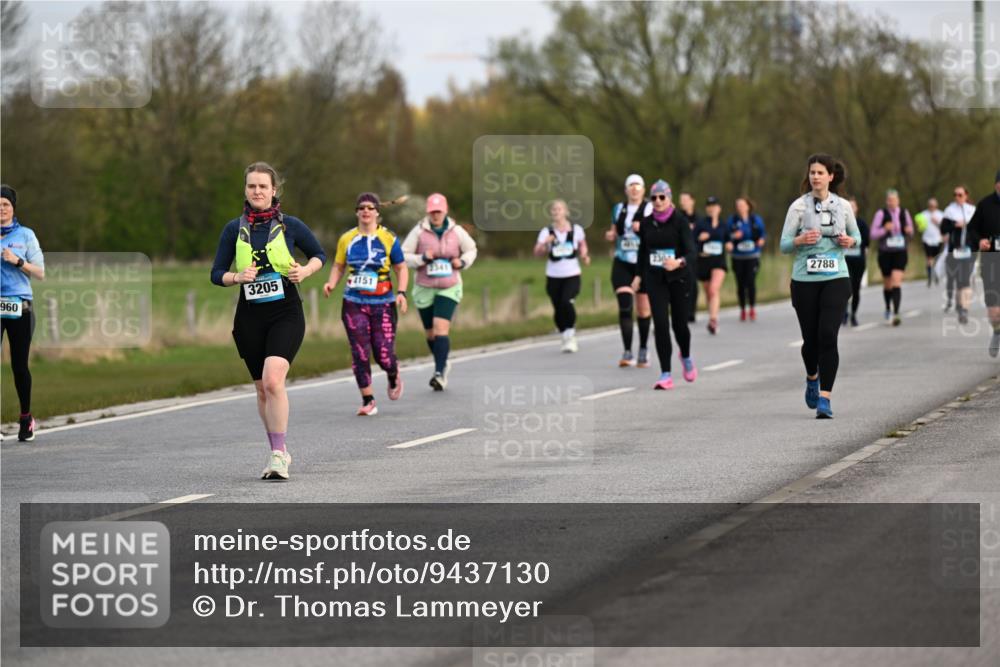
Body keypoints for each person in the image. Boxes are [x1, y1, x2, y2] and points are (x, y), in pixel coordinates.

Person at [211, 163, 326, 480]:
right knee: (262, 390)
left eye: (263, 186)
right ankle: (279, 448)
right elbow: (216, 273)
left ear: (274, 190)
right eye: (252, 186)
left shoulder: (291, 226)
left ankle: (277, 456)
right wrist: (237, 277)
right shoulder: (233, 229)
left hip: (285, 312)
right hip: (249, 317)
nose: (257, 191)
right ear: (245, 190)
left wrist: (305, 271)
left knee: (274, 380)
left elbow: (319, 255)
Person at [780, 154, 861, 419]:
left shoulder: (843, 206)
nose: (815, 176)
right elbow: (784, 245)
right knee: (811, 341)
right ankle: (812, 377)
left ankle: (825, 399)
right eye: (812, 172)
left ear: (830, 176)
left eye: (820, 172)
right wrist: (800, 240)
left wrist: (849, 241)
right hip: (805, 280)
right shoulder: (798, 207)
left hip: (836, 277)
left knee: (828, 335)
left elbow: (857, 237)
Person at [323, 193, 408, 415]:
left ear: (377, 212)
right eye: (362, 207)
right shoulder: (346, 238)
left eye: (370, 207)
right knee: (360, 352)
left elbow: (400, 267)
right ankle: (368, 399)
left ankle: (392, 373)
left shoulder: (388, 238)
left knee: (383, 355)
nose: (366, 211)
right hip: (354, 302)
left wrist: (401, 292)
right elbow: (338, 265)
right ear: (357, 212)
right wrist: (331, 283)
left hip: (383, 303)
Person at [401, 193, 477, 390]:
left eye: (439, 211)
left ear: (445, 211)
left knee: (440, 328)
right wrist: (422, 258)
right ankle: (442, 362)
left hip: (449, 286)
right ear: (428, 212)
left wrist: (462, 262)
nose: (436, 215)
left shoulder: (457, 231)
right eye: (432, 211)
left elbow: (471, 249)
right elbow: (403, 255)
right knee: (430, 333)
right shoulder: (419, 231)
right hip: (424, 287)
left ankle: (439, 373)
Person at [632, 180, 697, 389]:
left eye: (662, 197)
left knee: (680, 325)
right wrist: (638, 276)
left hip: (679, 278)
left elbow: (692, 252)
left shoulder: (680, 222)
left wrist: (678, 262)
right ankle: (665, 374)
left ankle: (685, 355)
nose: (658, 201)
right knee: (660, 324)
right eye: (654, 198)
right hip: (655, 279)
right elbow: (643, 252)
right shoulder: (646, 223)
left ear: (669, 198)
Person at [1, 185, 45, 442]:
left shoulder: (26, 235)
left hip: (20, 307)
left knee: (19, 366)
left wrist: (17, 261)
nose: (1, 209)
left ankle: (26, 418)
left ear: (13, 207)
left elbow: (40, 273)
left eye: (5, 204)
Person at [604, 175, 652, 367]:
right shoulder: (618, 208)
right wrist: (611, 234)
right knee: (625, 306)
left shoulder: (650, 208)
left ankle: (643, 349)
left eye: (637, 186)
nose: (634, 189)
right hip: (622, 261)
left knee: (643, 309)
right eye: (631, 186)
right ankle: (627, 352)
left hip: (643, 263)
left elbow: (660, 231)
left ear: (643, 190)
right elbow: (615, 230)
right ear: (626, 190)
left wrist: (644, 229)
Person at [535, 199, 590, 353]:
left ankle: (570, 334)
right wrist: (544, 244)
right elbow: (537, 252)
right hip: (553, 275)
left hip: (572, 274)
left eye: (559, 209)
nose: (556, 212)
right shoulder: (546, 232)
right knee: (558, 307)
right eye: (554, 209)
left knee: (566, 301)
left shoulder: (576, 229)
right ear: (551, 213)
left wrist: (584, 255)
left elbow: (582, 245)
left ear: (566, 212)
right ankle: (564, 332)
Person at [869, 189, 914, 326]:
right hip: (885, 253)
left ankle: (896, 313)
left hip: (900, 251)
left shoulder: (904, 213)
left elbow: (911, 232)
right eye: (889, 200)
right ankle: (888, 307)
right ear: (886, 201)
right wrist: (884, 229)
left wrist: (909, 231)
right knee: (888, 283)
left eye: (894, 200)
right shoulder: (881, 214)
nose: (891, 202)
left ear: (898, 200)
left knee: (896, 280)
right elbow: (873, 234)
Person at [968, 170, 1000, 357]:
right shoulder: (984, 205)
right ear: (996, 184)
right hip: (991, 261)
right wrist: (979, 241)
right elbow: (972, 229)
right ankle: (997, 331)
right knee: (994, 307)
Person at [940, 185, 977, 324]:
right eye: (955, 195)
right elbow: (943, 229)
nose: (957, 197)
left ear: (966, 195)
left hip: (969, 251)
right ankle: (959, 305)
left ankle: (964, 310)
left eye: (960, 195)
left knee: (965, 280)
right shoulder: (949, 211)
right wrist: (955, 225)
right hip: (954, 251)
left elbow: (979, 229)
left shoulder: (972, 210)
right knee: (958, 281)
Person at [727, 197, 767, 322]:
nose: (740, 207)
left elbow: (763, 234)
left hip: (752, 256)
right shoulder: (732, 220)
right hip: (737, 257)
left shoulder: (755, 220)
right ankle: (743, 309)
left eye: (742, 205)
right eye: (738, 205)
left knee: (750, 281)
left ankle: (752, 308)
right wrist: (733, 237)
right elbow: (726, 235)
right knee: (740, 284)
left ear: (748, 206)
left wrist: (761, 240)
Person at [694, 195, 729, 334]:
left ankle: (713, 320)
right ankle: (712, 315)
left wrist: (730, 244)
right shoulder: (701, 224)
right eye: (709, 206)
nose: (711, 209)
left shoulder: (724, 224)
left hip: (718, 261)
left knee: (714, 289)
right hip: (703, 261)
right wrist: (699, 239)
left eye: (714, 206)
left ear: (719, 208)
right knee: (708, 292)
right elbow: (692, 241)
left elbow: (728, 239)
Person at [843, 196, 870, 327]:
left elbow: (867, 242)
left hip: (858, 260)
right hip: (844, 260)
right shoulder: (840, 223)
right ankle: (844, 313)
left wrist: (853, 242)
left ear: (856, 208)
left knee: (855, 288)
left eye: (852, 206)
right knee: (845, 287)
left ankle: (853, 314)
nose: (850, 209)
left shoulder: (862, 223)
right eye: (848, 206)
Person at [679, 192, 700, 324]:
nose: (683, 202)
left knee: (693, 282)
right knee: (682, 283)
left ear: (692, 201)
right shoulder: (678, 217)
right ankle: (683, 310)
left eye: (686, 199)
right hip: (681, 254)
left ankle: (691, 311)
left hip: (695, 254)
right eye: (681, 200)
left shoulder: (699, 218)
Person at [917, 197, 944, 287]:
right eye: (930, 205)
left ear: (936, 205)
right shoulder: (923, 214)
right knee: (929, 259)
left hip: (938, 239)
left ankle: (936, 274)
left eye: (933, 205)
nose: (932, 207)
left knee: (936, 259)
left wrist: (937, 222)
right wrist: (920, 225)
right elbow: (920, 228)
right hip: (927, 239)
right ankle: (929, 277)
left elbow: (944, 227)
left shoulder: (941, 214)